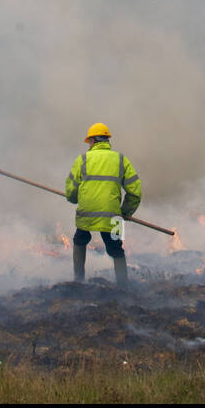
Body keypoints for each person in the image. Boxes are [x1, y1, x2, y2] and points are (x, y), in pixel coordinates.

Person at [65, 123, 141, 288]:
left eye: (89, 141)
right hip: (113, 216)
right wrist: (125, 212)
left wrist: (72, 199)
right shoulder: (121, 159)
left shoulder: (83, 159)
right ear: (107, 140)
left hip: (86, 214)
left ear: (93, 140)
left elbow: (70, 189)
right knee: (116, 248)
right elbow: (135, 191)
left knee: (80, 240)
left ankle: (78, 282)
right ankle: (123, 286)